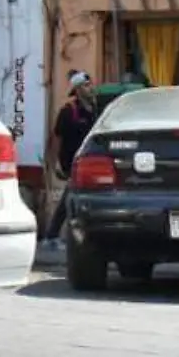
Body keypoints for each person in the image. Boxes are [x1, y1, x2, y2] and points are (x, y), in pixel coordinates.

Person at [41, 69, 100, 253]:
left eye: (90, 84)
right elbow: (56, 138)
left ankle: (72, 235)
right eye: (85, 85)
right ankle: (52, 236)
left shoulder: (95, 109)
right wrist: (55, 163)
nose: (90, 88)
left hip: (89, 162)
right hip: (72, 163)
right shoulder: (69, 111)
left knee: (77, 198)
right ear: (77, 89)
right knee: (70, 198)